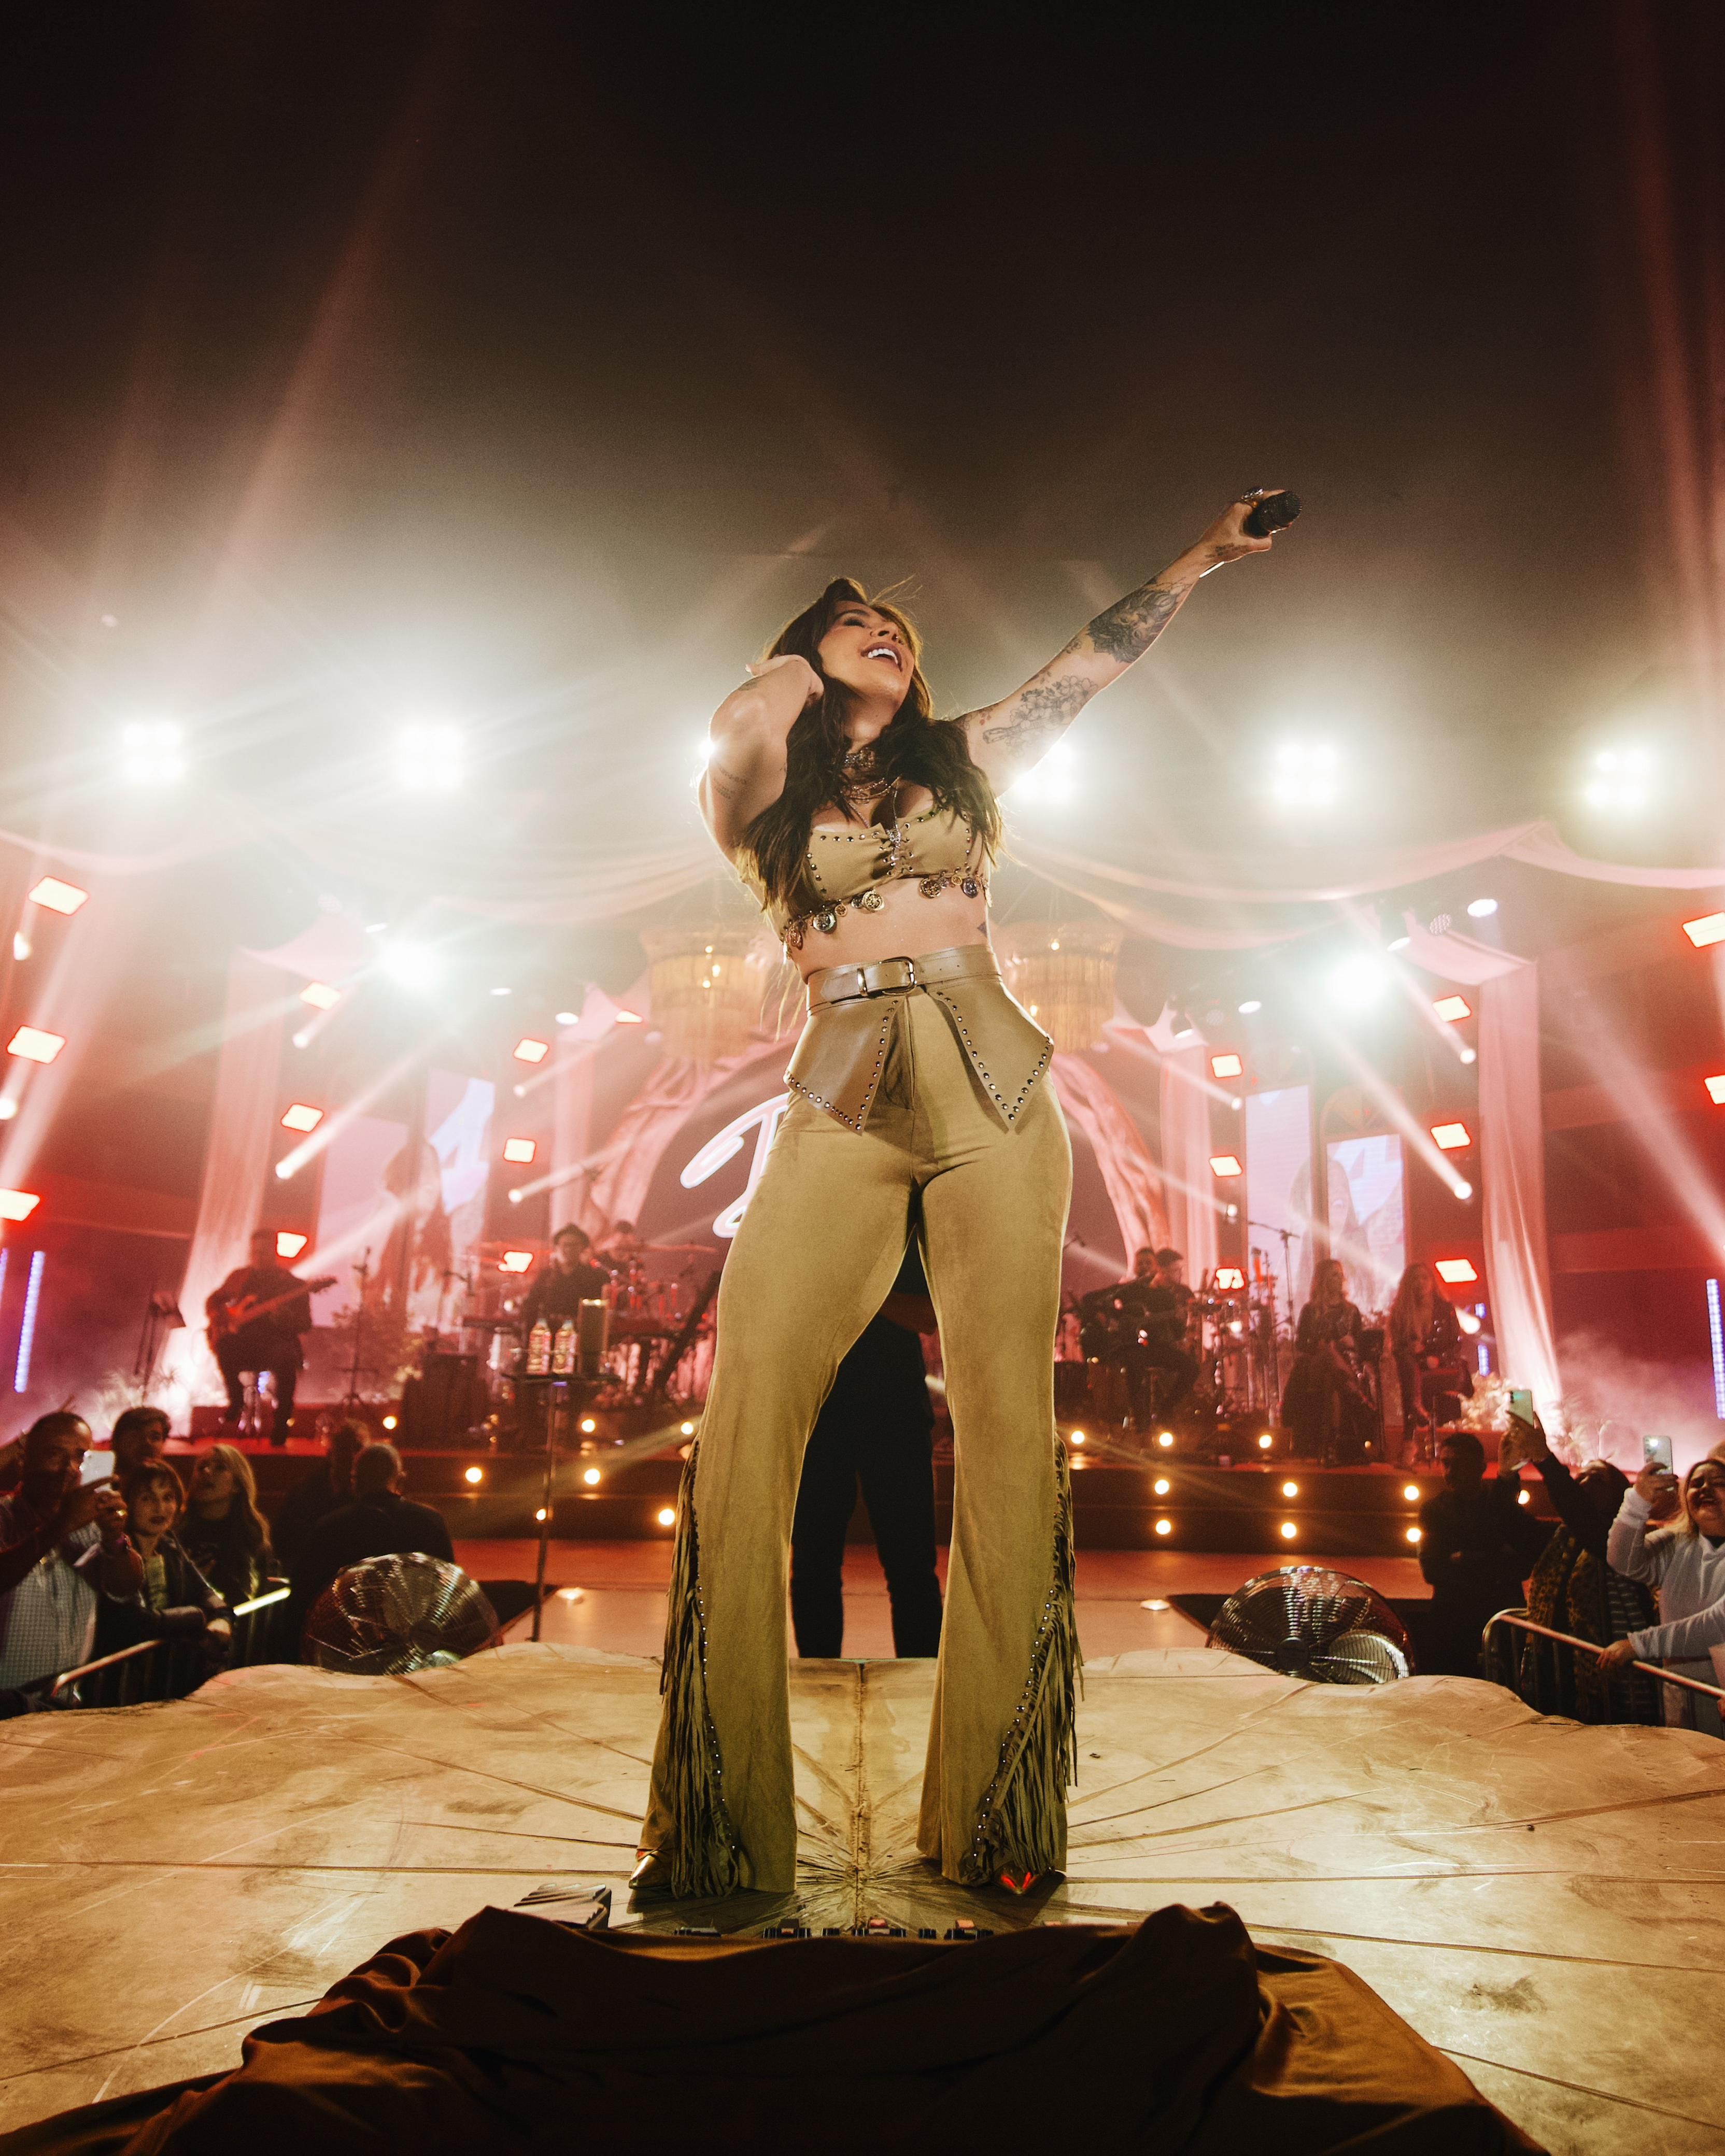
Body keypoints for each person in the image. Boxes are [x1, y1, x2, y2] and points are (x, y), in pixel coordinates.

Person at [634, 491, 1279, 1901]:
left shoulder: (966, 760)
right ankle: (723, 1826)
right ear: (804, 655)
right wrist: (802, 656)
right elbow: (745, 718)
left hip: (997, 1093)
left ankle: (998, 1819)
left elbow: (1088, 666)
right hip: (840, 1097)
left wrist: (1199, 557)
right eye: (856, 621)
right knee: (746, 1418)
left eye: (898, 627)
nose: (887, 632)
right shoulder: (756, 791)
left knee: (1006, 1433)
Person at [790, 1245, 942, 1659]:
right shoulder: (810, 1236)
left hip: (894, 1414)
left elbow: (926, 1316)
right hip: (823, 1414)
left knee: (911, 1568)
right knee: (814, 1564)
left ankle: (917, 1683)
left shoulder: (901, 1239)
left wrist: (854, 1292)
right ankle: (819, 1680)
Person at [1496, 1411, 1658, 1723]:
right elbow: (1510, 1526)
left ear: (1622, 1496)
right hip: (1553, 1680)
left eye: (1596, 1479)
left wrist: (1545, 1459)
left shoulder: (1620, 1542)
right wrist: (1506, 1476)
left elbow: (1582, 1516)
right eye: (1580, 1477)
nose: (1584, 1483)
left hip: (1609, 1689)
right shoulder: (1561, 1539)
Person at [0, 1412, 141, 1696]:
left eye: (81, 1457)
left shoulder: (90, 1524)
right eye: (54, 1454)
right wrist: (62, 1523)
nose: (69, 1468)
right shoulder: (5, 1514)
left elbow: (126, 1588)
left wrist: (115, 1538)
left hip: (62, 1700)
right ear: (24, 1461)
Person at [1600, 1456, 1725, 1738]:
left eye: (1719, 1483)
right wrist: (1638, 1501)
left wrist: (1640, 1644)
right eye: (1696, 1484)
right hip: (1683, 1696)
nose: (1705, 1489)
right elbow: (1623, 1561)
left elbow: (1717, 1625)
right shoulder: (1675, 1543)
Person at [290, 1442, 455, 1641]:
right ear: (401, 1479)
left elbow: (304, 1590)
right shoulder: (429, 1521)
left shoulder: (331, 1526)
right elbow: (448, 1584)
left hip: (346, 1640)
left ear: (355, 1481)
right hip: (413, 1639)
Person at [1418, 1430, 1549, 1677]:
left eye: (1459, 1464)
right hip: (1457, 1622)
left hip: (1493, 1620)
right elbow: (1433, 1570)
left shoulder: (1499, 1507)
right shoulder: (1434, 1511)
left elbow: (1523, 1564)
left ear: (1480, 1467)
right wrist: (1495, 1559)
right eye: (1446, 1464)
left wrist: (1462, 1558)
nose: (1450, 1472)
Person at [96, 1463, 231, 1690]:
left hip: (161, 1677)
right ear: (127, 1504)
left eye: (168, 1497)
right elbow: (137, 1622)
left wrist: (222, 1618)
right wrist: (199, 1617)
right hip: (119, 1681)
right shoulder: (118, 1553)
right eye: (147, 1499)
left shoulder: (169, 1546)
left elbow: (206, 1592)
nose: (160, 1508)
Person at [205, 1229, 314, 1445]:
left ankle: (281, 1423)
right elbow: (214, 1301)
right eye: (255, 1252)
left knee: (287, 1360)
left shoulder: (293, 1285)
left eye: (264, 1253)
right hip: (244, 1346)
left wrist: (284, 1318)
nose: (259, 1257)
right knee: (224, 1345)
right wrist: (223, 1317)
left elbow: (305, 1324)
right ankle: (236, 1399)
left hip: (276, 1347)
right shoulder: (239, 1277)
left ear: (275, 1252)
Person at [1280, 1259, 1375, 1463]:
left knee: (1333, 1382)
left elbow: (1361, 1345)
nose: (1339, 1278)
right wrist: (1320, 1345)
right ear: (1323, 1279)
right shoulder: (1310, 1310)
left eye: (1340, 1274)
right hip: (1315, 1365)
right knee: (1329, 1353)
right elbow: (1301, 1344)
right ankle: (1357, 1398)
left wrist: (1351, 1343)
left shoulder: (1352, 1311)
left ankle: (1331, 1443)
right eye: (1334, 1274)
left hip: (1344, 1366)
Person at [1388, 1263, 1471, 1461]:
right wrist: (1412, 1349)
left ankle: (1409, 1443)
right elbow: (1397, 1348)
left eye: (1425, 1278)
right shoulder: (1401, 1312)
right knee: (1409, 1366)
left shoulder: (1445, 1309)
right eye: (1416, 1279)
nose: (1421, 1283)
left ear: (1433, 1282)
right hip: (1414, 1365)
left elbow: (1456, 1344)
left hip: (1442, 1365)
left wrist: (1437, 1358)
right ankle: (1416, 1409)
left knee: (1410, 1378)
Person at [178, 1444, 276, 1608]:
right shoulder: (175, 1530)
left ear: (237, 1485)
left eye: (220, 1468)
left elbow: (252, 1600)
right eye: (202, 1467)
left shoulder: (251, 1537)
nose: (207, 1472)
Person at [270, 1419, 369, 1573]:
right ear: (331, 1453)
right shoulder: (305, 1492)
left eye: (357, 1449)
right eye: (344, 1449)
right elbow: (286, 1542)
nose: (351, 1456)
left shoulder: (372, 1492)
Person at [1120, 1246, 1197, 1423]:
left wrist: (1177, 1324)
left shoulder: (1166, 1295)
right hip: (1133, 1348)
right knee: (1133, 1367)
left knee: (1191, 1367)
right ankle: (1139, 1419)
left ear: (1156, 1267)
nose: (1145, 1267)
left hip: (1159, 1348)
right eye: (1141, 1263)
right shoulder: (1128, 1291)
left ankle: (1166, 1409)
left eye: (1149, 1263)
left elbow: (1178, 1332)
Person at [518, 1224, 611, 1337]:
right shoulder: (546, 1276)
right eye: (565, 1245)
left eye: (573, 1246)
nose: (568, 1250)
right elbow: (531, 1306)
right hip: (548, 1335)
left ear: (582, 1248)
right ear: (557, 1247)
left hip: (581, 1335)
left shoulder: (594, 1277)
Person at [110, 1406, 171, 1481]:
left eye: (155, 1437)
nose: (147, 1442)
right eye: (137, 1436)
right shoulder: (104, 1484)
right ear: (118, 1442)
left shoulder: (171, 1485)